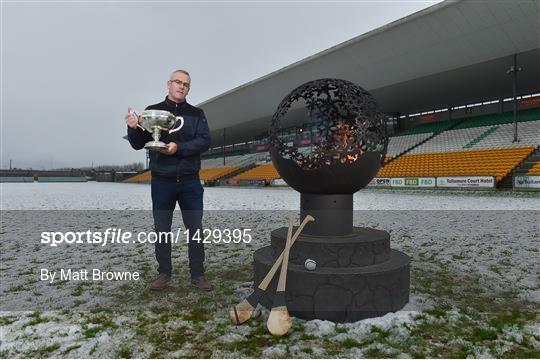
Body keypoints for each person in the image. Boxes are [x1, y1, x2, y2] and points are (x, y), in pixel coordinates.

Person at [125, 69, 212, 291]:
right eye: (178, 82)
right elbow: (138, 143)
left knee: (195, 228)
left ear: (188, 89)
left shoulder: (196, 113)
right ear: (169, 84)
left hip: (190, 181)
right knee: (162, 228)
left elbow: (204, 141)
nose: (181, 86)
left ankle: (198, 274)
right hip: (162, 181)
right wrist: (133, 126)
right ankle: (164, 273)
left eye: (186, 84)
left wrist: (178, 148)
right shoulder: (153, 112)